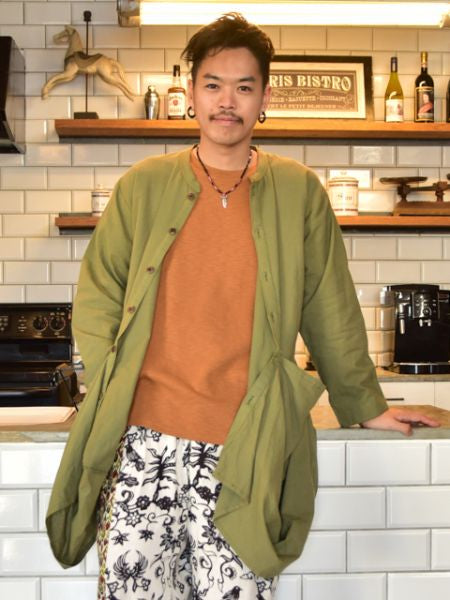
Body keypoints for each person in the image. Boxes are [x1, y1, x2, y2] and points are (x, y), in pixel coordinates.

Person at [46, 12, 439, 600]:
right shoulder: (142, 186)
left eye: (243, 87)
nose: (226, 101)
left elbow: (330, 307)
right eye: (213, 84)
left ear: (264, 98)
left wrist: (366, 406)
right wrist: (112, 383)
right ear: (191, 92)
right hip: (143, 441)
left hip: (247, 447)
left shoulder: (299, 192)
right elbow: (98, 295)